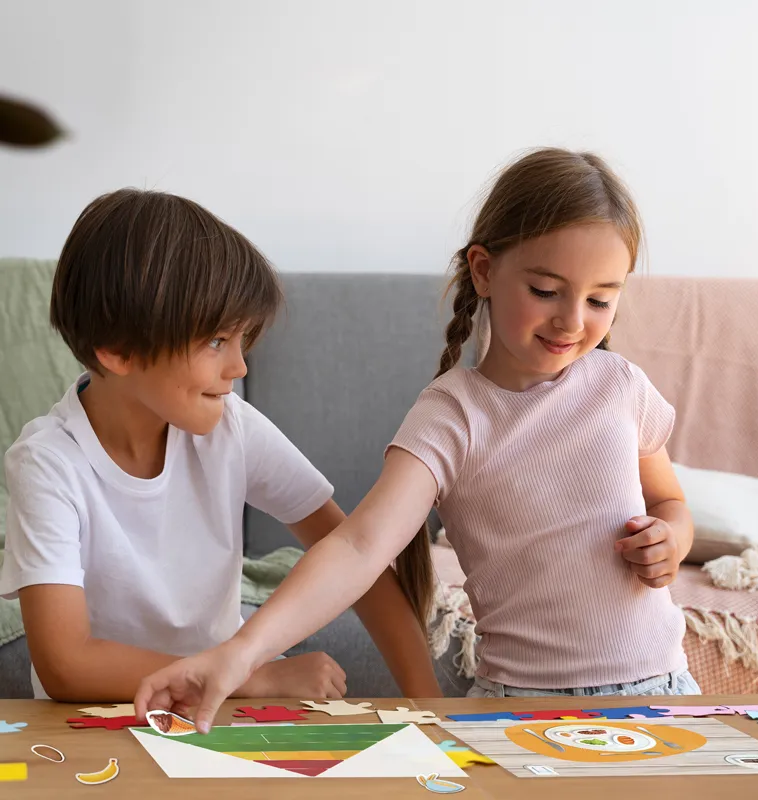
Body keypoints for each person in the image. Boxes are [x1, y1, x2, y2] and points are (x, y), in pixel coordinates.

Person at [135, 148, 699, 732]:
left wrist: (672, 540)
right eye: (546, 290)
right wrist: (242, 651)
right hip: (519, 706)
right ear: (483, 270)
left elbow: (670, 504)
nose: (573, 321)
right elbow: (358, 548)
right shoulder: (451, 415)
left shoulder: (621, 386)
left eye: (600, 299)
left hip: (663, 688)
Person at [0, 188, 439, 701]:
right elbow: (66, 663)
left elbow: (354, 551)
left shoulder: (233, 428)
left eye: (241, 341)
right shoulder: (49, 463)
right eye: (215, 342)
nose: (240, 367)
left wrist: (426, 700)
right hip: (96, 726)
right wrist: (253, 677)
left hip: (217, 712)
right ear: (117, 350)